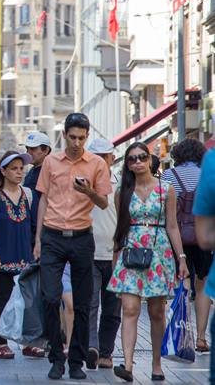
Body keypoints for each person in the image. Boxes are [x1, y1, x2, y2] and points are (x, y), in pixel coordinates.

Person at [33, 112, 110, 381]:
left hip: (81, 236)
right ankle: (56, 356)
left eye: (82, 137)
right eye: (73, 136)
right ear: (64, 135)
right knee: (50, 297)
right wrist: (38, 240)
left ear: (87, 137)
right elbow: (42, 200)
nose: (77, 142)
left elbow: (103, 202)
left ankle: (75, 361)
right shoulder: (51, 162)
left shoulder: (97, 164)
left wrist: (87, 191)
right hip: (53, 236)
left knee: (82, 302)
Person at [108, 142, 188, 382]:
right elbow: (120, 229)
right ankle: (128, 365)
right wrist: (115, 263)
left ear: (151, 159)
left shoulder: (167, 189)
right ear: (128, 165)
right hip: (131, 252)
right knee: (129, 308)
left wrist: (181, 258)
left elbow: (172, 226)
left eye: (142, 157)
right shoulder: (122, 192)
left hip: (159, 253)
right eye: (132, 159)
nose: (138, 162)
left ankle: (156, 365)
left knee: (156, 312)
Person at [0, 150, 46, 360]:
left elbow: (36, 225)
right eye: (14, 169)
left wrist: (37, 246)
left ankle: (27, 343)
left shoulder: (29, 195)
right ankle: (2, 344)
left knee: (28, 301)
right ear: (4, 171)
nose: (19, 173)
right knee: (4, 300)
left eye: (21, 169)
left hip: (25, 257)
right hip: (0, 258)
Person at [161, 138, 211, 354]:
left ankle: (183, 335)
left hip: (177, 236)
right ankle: (201, 338)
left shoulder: (169, 176)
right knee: (203, 285)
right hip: (204, 236)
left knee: (183, 284)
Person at [85, 138, 121, 371]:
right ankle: (92, 347)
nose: (100, 161)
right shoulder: (83, 184)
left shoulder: (122, 184)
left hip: (116, 255)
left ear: (112, 159)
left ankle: (106, 352)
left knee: (113, 308)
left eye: (104, 156)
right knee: (90, 305)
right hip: (88, 253)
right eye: (95, 156)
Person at [192, 149, 215, 385]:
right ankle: (199, 336)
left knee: (200, 286)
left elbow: (206, 237)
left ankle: (198, 336)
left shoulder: (212, 162)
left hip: (185, 243)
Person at [23, 131, 52, 243]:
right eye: (27, 149)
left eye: (33, 149)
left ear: (46, 150)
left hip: (43, 232)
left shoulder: (50, 172)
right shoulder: (31, 171)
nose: (29, 152)